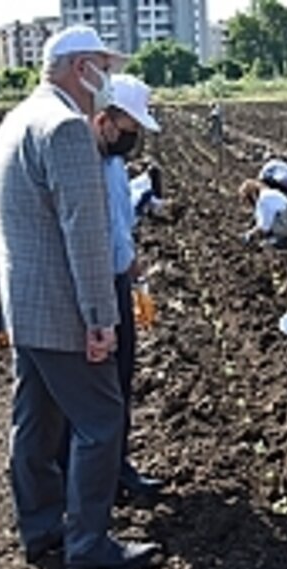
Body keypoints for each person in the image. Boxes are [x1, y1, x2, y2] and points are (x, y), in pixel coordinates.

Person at [0, 25, 157, 569]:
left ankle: (40, 531)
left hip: (24, 305)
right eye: (104, 66)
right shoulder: (65, 129)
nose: (107, 78)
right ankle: (87, 544)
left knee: (35, 424)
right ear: (82, 68)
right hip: (63, 310)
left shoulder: (16, 120)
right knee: (101, 421)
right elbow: (84, 234)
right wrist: (100, 318)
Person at [90, 73, 162, 500]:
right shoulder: (85, 166)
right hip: (98, 282)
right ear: (107, 119)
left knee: (120, 378)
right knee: (101, 385)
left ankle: (118, 466)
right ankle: (99, 478)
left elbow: (120, 223)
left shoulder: (114, 166)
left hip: (118, 276)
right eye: (131, 126)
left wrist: (132, 266)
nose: (133, 136)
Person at [239, 178, 287, 249]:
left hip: (283, 228)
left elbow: (264, 226)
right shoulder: (270, 193)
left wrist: (250, 234)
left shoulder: (264, 199)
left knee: (263, 246)